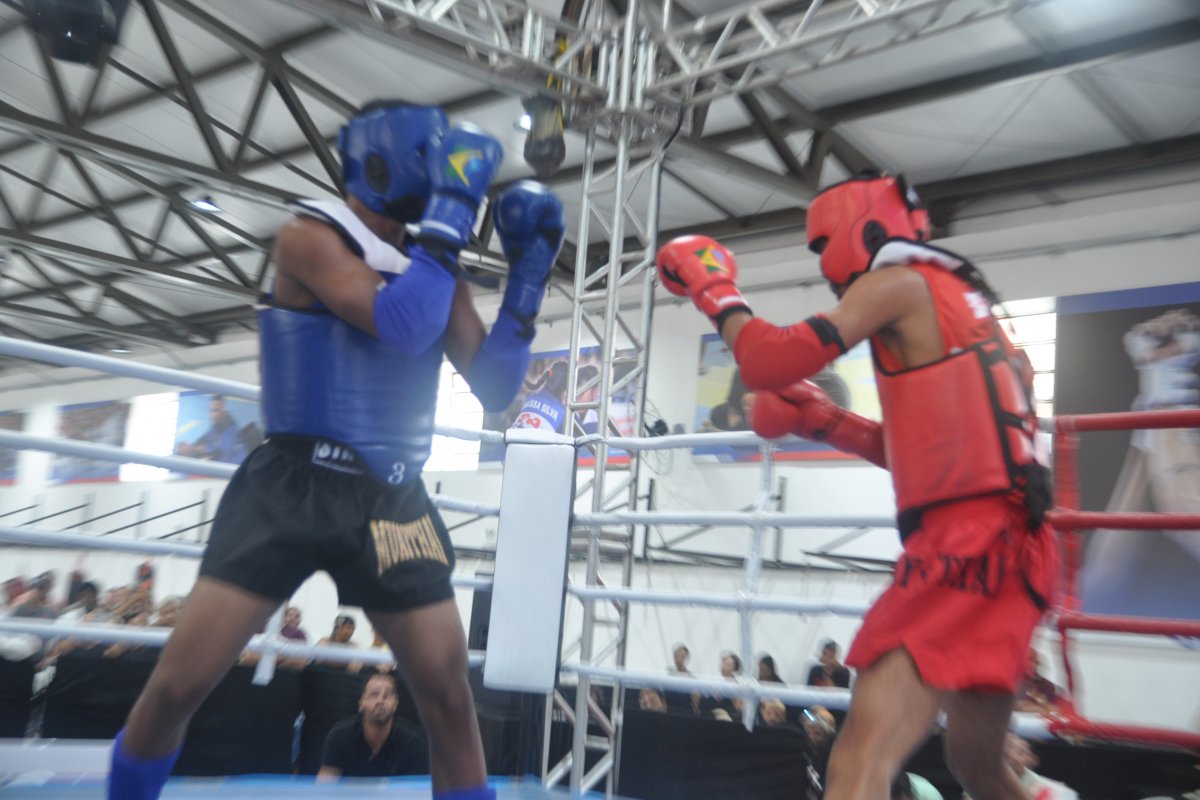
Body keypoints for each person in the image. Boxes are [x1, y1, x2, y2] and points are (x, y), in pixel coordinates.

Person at [107, 101, 564, 800]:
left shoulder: (433, 265)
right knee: (178, 684)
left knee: (447, 694)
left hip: (393, 496)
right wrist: (446, 225)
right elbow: (402, 326)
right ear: (380, 158)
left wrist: (528, 282)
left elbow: (495, 384)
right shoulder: (308, 238)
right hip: (291, 484)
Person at [657, 172, 1058, 800]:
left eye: (822, 247)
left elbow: (767, 359)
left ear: (860, 230)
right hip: (1020, 552)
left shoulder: (897, 284)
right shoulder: (971, 311)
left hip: (962, 547)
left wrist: (715, 289)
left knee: (858, 760)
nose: (825, 266)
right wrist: (824, 419)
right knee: (977, 762)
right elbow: (931, 462)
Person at [318, 672, 428, 779]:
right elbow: (324, 789)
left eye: (387, 695)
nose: (380, 700)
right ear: (361, 703)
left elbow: (419, 793)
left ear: (396, 703)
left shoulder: (414, 742)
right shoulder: (339, 736)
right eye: (374, 694)